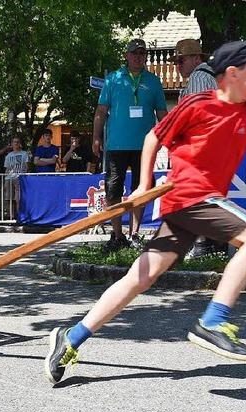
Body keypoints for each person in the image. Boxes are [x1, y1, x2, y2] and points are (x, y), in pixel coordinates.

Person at [44, 41, 246, 385]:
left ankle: (70, 338)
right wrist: (143, 184)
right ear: (234, 75)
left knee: (140, 278)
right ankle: (213, 321)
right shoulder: (197, 104)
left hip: (191, 208)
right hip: (193, 197)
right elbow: (153, 136)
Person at [93, 39, 168, 252]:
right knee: (113, 190)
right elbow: (101, 111)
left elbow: (162, 114)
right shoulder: (113, 79)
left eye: (142, 53)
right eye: (134, 53)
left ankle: (134, 234)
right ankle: (117, 235)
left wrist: (169, 138)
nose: (138, 57)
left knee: (141, 190)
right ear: (126, 55)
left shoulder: (153, 81)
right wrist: (96, 137)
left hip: (145, 147)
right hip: (116, 145)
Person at [171, 38, 221, 259]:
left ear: (194, 58)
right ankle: (209, 242)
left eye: (180, 61)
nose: (177, 66)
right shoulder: (208, 77)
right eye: (176, 62)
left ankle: (203, 244)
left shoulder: (200, 77)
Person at [3, 136, 30, 216]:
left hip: (20, 177)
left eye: (17, 142)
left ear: (20, 143)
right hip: (9, 178)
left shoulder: (24, 154)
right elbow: (7, 168)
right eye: (14, 142)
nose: (16, 143)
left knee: (18, 198)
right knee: (9, 198)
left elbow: (27, 166)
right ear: (12, 144)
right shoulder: (8, 156)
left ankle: (19, 215)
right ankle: (11, 216)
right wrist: (5, 180)